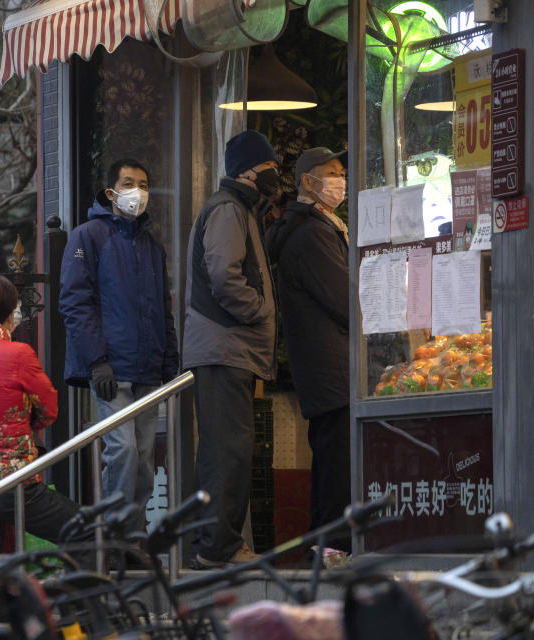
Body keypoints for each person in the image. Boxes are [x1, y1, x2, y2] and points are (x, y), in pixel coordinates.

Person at [0, 273, 88, 622]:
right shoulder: (19, 353)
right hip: (11, 479)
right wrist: (25, 424)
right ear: (11, 314)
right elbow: (49, 405)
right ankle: (73, 618)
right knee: (81, 531)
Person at [59, 158, 179, 533]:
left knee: (143, 457)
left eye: (143, 184)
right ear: (111, 192)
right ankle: (114, 535)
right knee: (123, 451)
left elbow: (163, 307)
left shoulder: (151, 245)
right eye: (129, 183)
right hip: (111, 368)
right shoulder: (88, 236)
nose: (137, 192)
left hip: (147, 368)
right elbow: (74, 301)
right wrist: (96, 361)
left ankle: (132, 534)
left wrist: (169, 360)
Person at [183, 130, 279, 568]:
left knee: (229, 451)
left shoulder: (237, 208)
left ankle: (220, 547)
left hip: (228, 350)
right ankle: (217, 551)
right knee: (228, 452)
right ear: (247, 171)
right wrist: (258, 311)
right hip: (225, 349)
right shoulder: (227, 210)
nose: (276, 177)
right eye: (270, 170)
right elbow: (225, 276)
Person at [264, 147, 350, 552]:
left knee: (333, 457)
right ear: (308, 182)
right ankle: (332, 547)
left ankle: (328, 544)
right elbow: (344, 300)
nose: (340, 180)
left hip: (324, 365)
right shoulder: (313, 232)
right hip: (331, 366)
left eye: (341, 172)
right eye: (331, 173)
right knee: (338, 463)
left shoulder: (318, 225)